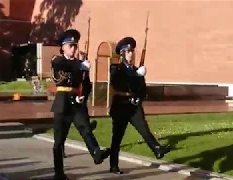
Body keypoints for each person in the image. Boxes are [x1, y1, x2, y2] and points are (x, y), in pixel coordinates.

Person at [51, 29, 110, 180]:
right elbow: (61, 65)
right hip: (62, 102)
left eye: (75, 46)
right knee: (59, 141)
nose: (74, 49)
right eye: (71, 45)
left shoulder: (80, 64)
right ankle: (59, 174)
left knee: (85, 128)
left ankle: (96, 153)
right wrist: (80, 66)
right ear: (63, 47)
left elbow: (87, 85)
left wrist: (82, 96)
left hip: (76, 102)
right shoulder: (57, 60)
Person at [109, 37, 170, 174]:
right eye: (129, 51)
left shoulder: (137, 70)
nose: (132, 54)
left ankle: (157, 149)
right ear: (123, 53)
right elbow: (119, 84)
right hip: (121, 106)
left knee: (144, 128)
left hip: (134, 106)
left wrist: (140, 97)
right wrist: (136, 75)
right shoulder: (116, 68)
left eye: (132, 51)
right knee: (117, 137)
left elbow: (142, 89)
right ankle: (113, 165)